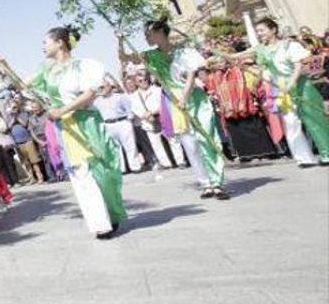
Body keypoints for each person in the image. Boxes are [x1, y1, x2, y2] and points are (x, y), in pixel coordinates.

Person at [0, 26, 127, 239]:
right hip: (64, 127)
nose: (42, 47)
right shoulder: (46, 70)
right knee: (80, 173)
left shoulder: (84, 66)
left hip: (86, 122)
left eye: (45, 42)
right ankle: (100, 223)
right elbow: (21, 85)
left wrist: (64, 110)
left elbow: (90, 93)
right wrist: (5, 65)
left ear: (60, 43)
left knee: (102, 172)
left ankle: (111, 213)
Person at [118, 21, 230, 200]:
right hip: (174, 102)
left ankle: (217, 182)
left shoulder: (185, 51)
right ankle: (205, 183)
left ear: (161, 31)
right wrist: (120, 40)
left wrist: (184, 98)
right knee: (190, 144)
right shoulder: (150, 55)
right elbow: (124, 58)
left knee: (206, 139)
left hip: (195, 99)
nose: (147, 38)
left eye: (149, 34)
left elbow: (192, 76)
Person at [236, 18, 329, 167]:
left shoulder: (289, 45)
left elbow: (298, 66)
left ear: (273, 30)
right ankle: (304, 158)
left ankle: (327, 154)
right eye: (257, 31)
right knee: (290, 123)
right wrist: (222, 55)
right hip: (281, 90)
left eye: (262, 30)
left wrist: (290, 84)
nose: (259, 34)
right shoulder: (261, 49)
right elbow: (239, 55)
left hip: (300, 86)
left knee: (314, 119)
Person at [93, 79, 144, 173]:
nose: (101, 89)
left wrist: (129, 121)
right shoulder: (97, 101)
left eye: (103, 87)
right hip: (108, 124)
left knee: (130, 146)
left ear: (109, 86)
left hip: (122, 122)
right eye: (100, 88)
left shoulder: (120, 97)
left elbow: (129, 110)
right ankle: (122, 169)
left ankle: (135, 167)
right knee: (115, 148)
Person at [9, 99, 46, 183]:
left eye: (15, 106)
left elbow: (24, 124)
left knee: (34, 161)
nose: (14, 108)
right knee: (26, 162)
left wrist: (17, 117)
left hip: (27, 140)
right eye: (12, 107)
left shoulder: (24, 114)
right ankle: (32, 178)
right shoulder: (10, 117)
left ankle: (40, 177)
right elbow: (9, 127)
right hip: (18, 142)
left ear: (18, 106)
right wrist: (12, 117)